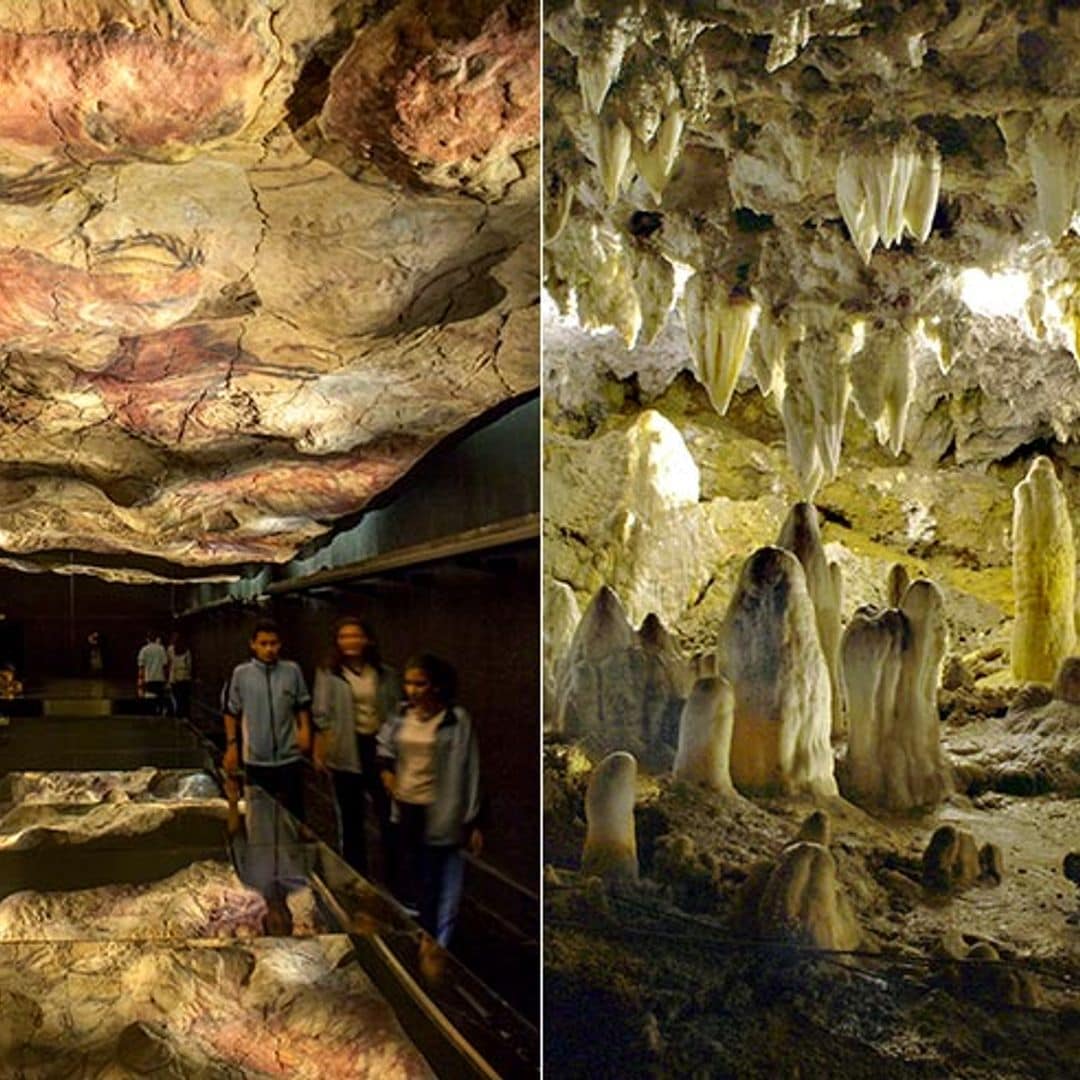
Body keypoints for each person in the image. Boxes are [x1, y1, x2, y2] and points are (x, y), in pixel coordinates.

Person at [377, 654, 482, 947]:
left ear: (436, 685)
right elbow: (384, 744)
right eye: (408, 683)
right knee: (415, 873)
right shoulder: (401, 714)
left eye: (420, 684)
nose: (412, 690)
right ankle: (422, 934)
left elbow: (470, 768)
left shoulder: (455, 720)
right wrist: (387, 772)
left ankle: (439, 943)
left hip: (442, 807)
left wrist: (473, 818)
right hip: (408, 804)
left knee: (440, 878)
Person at [312, 616, 401, 879]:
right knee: (351, 818)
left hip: (379, 748)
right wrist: (321, 747)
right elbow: (321, 713)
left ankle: (394, 875)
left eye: (355, 635)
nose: (350, 641)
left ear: (367, 639)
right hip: (346, 748)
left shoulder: (384, 674)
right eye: (344, 637)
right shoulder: (329, 674)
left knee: (388, 814)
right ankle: (355, 875)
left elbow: (396, 711)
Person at [223, 619, 312, 822]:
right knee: (259, 815)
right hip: (256, 758)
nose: (269, 649)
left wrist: (305, 729)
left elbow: (302, 704)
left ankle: (292, 842)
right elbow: (231, 711)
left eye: (273, 643)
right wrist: (232, 745)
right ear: (253, 645)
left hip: (289, 756)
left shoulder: (292, 671)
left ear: (280, 644)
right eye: (263, 643)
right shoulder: (241, 674)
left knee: (294, 814)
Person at [136, 631, 168, 714]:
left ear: (147, 639)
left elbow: (141, 667)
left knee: (150, 702)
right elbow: (165, 665)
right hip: (160, 679)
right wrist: (166, 679)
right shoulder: (161, 649)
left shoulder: (144, 650)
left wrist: (140, 681)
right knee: (160, 702)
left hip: (149, 679)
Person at [167, 630, 193, 719]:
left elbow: (169, 663)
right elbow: (189, 665)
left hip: (174, 677)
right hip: (184, 676)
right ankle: (185, 715)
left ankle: (178, 714)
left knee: (176, 698)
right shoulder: (186, 650)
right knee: (184, 698)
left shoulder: (170, 650)